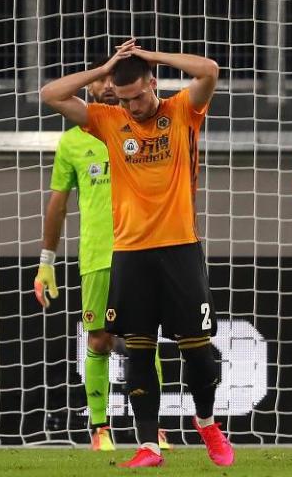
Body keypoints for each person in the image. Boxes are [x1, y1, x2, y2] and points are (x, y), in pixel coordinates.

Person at [41, 39, 233, 468]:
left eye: (139, 96)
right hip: (129, 253)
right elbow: (50, 94)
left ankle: (206, 422)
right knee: (138, 351)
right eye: (124, 99)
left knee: (199, 353)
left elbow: (209, 70)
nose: (133, 106)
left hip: (181, 248)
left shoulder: (183, 110)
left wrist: (153, 57)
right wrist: (106, 68)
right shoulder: (109, 120)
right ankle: (147, 445)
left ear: (154, 84)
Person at [33, 57, 169, 453]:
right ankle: (100, 430)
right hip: (97, 253)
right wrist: (46, 261)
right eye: (102, 80)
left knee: (144, 339)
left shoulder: (141, 125)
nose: (109, 86)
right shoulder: (74, 141)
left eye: (115, 80)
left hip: (143, 247)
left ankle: (153, 428)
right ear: (90, 85)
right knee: (99, 340)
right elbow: (57, 205)